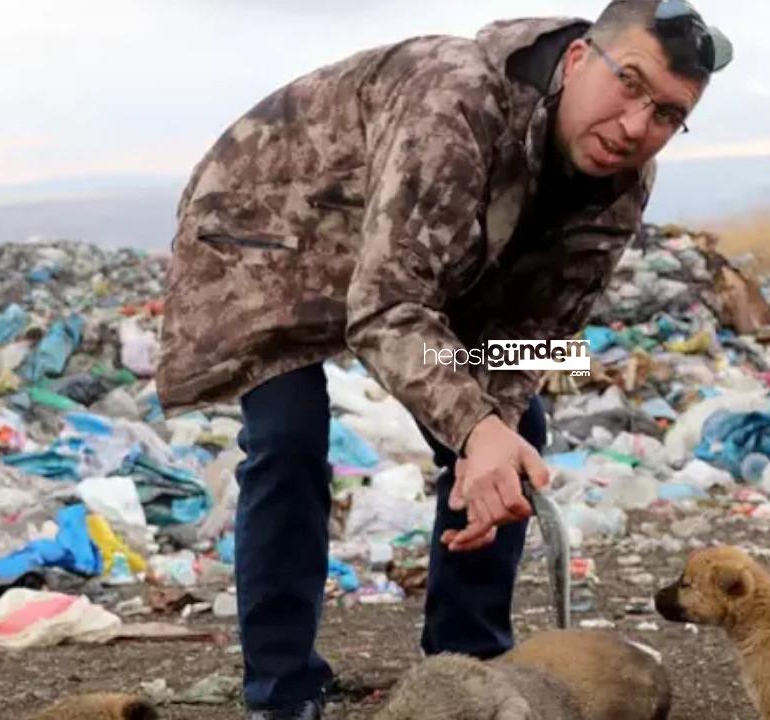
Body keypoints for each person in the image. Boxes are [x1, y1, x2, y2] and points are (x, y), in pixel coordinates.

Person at [155, 1, 732, 717]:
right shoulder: (455, 95)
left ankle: (468, 665)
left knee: (516, 439)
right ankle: (282, 687)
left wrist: (492, 437)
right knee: (287, 434)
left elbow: (537, 334)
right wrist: (473, 428)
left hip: (413, 254)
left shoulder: (620, 181)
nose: (636, 126)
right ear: (582, 59)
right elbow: (388, 306)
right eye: (631, 85)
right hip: (267, 230)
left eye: (668, 116)